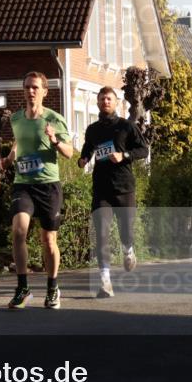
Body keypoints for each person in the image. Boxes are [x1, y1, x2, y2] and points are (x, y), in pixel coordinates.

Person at [0, 71, 74, 309]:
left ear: (44, 91)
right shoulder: (16, 119)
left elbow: (70, 153)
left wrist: (54, 140)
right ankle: (23, 289)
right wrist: (10, 157)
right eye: (27, 87)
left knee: (48, 240)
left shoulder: (54, 119)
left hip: (48, 186)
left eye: (35, 87)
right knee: (19, 231)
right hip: (23, 184)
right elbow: (19, 141)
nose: (30, 91)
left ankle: (53, 288)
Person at [78, 87, 149, 298]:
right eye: (101, 99)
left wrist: (124, 155)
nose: (105, 102)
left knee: (125, 230)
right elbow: (88, 148)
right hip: (101, 189)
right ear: (97, 103)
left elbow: (143, 150)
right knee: (101, 234)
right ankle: (105, 282)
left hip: (124, 187)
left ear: (116, 103)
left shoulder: (126, 126)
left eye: (108, 99)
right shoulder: (92, 129)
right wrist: (83, 159)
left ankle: (128, 249)